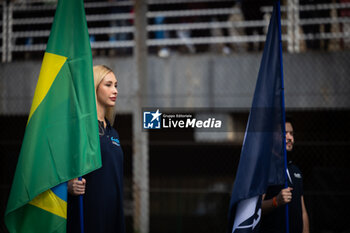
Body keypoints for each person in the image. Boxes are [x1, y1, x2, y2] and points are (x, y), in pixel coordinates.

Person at [67, 65, 125, 233]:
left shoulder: (113, 132)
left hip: (113, 213)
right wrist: (68, 186)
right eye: (108, 85)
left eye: (116, 85)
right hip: (87, 213)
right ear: (93, 87)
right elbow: (55, 167)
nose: (115, 90)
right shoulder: (80, 128)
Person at [260, 117, 310, 233]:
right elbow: (254, 209)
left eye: (291, 134)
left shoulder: (295, 170)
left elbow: (302, 211)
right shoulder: (265, 169)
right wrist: (276, 201)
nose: (289, 138)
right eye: (284, 133)